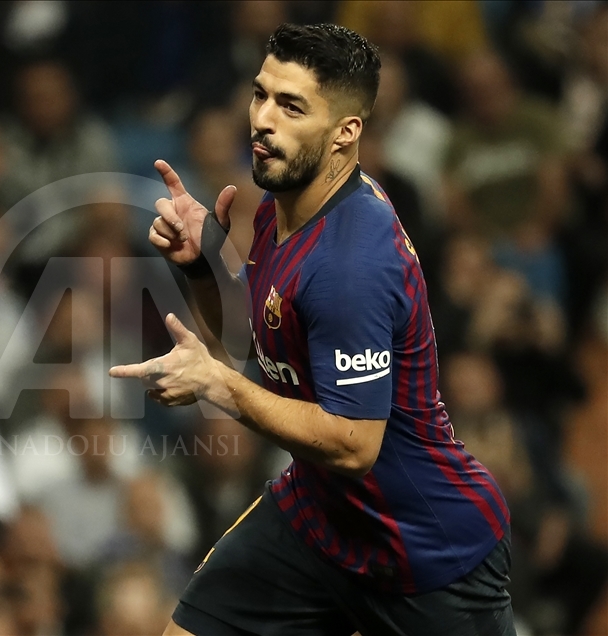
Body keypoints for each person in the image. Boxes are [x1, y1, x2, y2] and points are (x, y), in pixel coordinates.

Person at [109, 24, 514, 635]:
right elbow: (253, 341)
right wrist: (204, 266)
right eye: (260, 94)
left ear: (346, 132)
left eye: (291, 106)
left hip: (427, 554)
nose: (262, 120)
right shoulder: (285, 205)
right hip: (318, 519)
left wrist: (220, 386)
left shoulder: (351, 263)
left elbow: (354, 444)